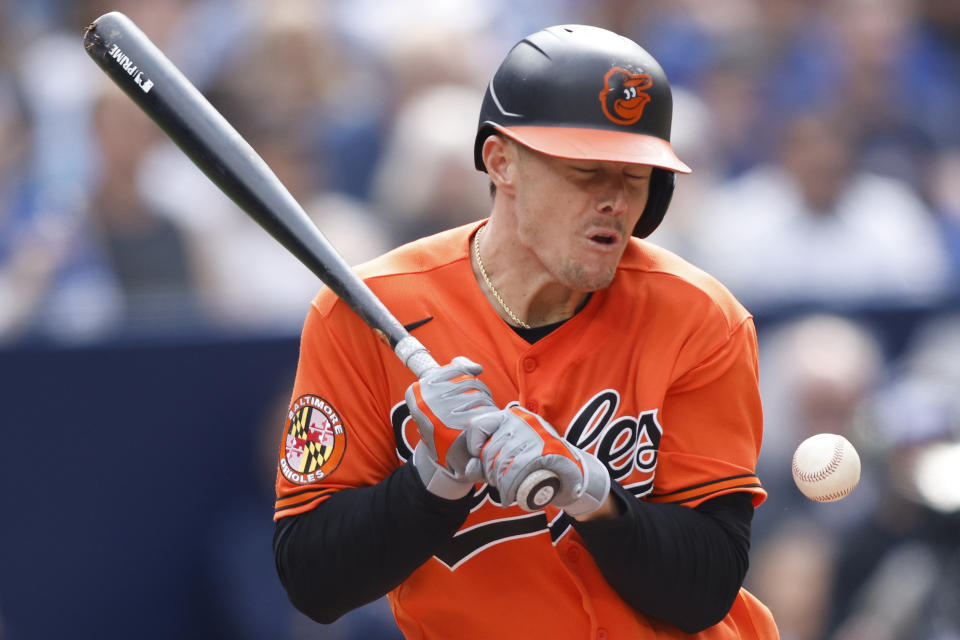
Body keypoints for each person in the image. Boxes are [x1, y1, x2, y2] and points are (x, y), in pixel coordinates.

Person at [273, 25, 779, 639]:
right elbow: (312, 581)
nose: (615, 200)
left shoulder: (700, 317)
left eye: (635, 175)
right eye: (586, 170)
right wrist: (433, 480)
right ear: (501, 161)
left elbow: (706, 587)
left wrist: (593, 493)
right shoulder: (362, 312)